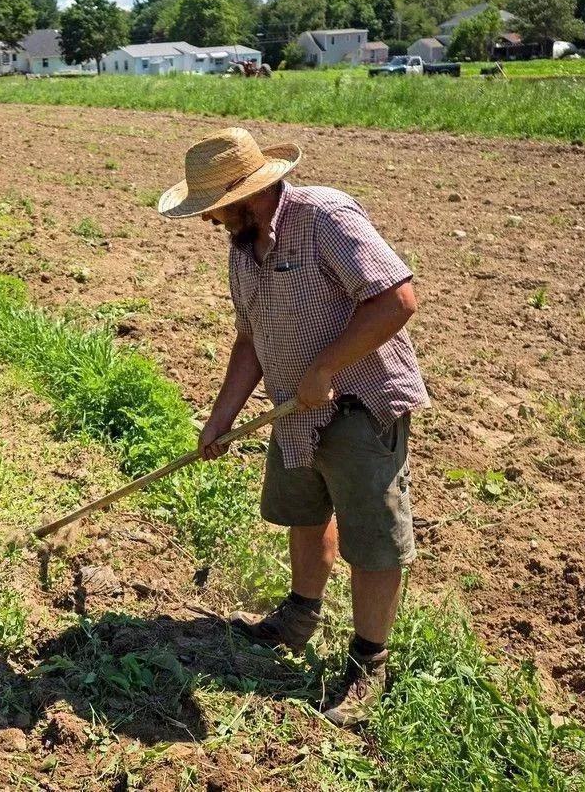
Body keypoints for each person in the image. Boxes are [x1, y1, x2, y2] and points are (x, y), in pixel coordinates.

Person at [157, 127, 429, 727]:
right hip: (293, 411)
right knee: (305, 514)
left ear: (246, 194)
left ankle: (368, 664)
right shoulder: (241, 246)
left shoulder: (325, 216)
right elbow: (250, 339)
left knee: (373, 538)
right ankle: (299, 617)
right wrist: (220, 419)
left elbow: (398, 299)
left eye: (214, 208)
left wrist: (328, 366)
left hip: (360, 405)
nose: (210, 221)